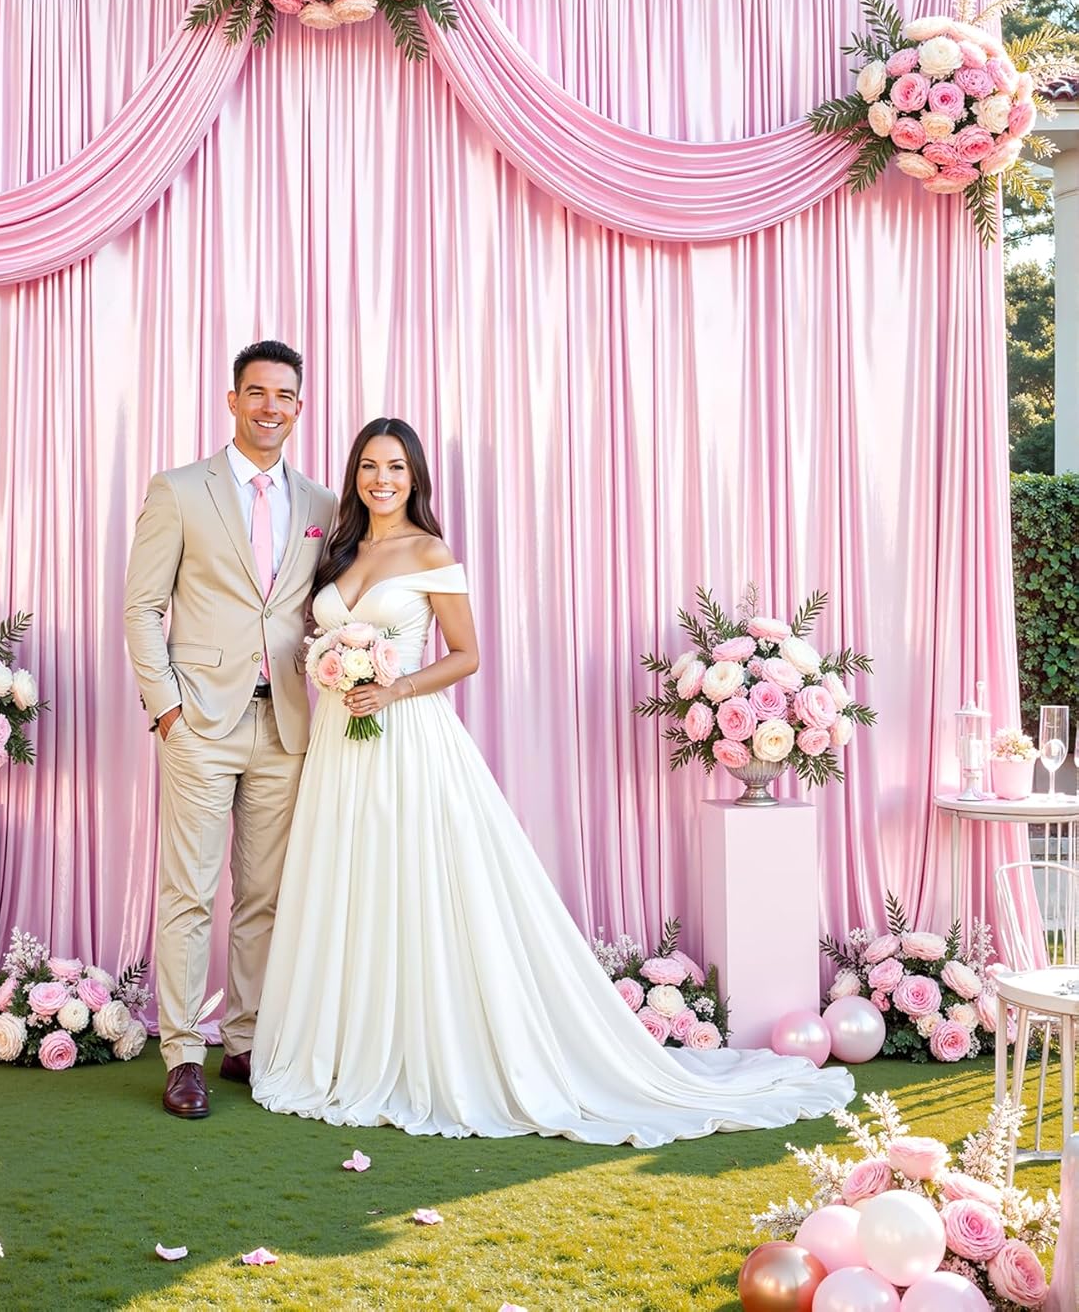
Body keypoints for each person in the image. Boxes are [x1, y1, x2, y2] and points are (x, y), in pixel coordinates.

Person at [250, 417, 855, 1145]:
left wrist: (395, 687)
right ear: (355, 475)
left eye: (397, 468)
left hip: (405, 738)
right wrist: (331, 667)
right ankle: (346, 1044)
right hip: (337, 746)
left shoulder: (430, 550)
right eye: (370, 467)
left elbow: (467, 654)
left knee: (413, 881)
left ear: (415, 479)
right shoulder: (339, 551)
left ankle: (423, 1048)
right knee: (349, 883)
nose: (382, 479)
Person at [124, 340, 337, 1119]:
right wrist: (167, 710)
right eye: (256, 393)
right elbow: (142, 607)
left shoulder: (321, 505)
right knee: (189, 892)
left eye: (284, 395)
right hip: (201, 723)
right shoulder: (180, 490)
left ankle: (244, 1039)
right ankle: (183, 1052)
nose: (269, 407)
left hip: (286, 722)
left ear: (299, 408)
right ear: (232, 400)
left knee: (264, 896)